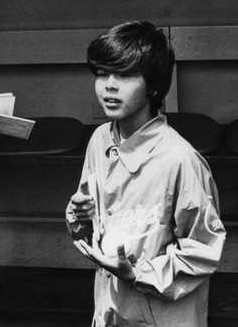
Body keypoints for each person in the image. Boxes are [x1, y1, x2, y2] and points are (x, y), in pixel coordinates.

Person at [66, 21, 226, 327]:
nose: (109, 85)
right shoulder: (101, 138)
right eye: (101, 73)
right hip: (110, 306)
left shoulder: (180, 159)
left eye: (125, 75)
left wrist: (136, 273)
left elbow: (203, 250)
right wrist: (80, 214)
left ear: (154, 85)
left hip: (163, 315)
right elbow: (92, 226)